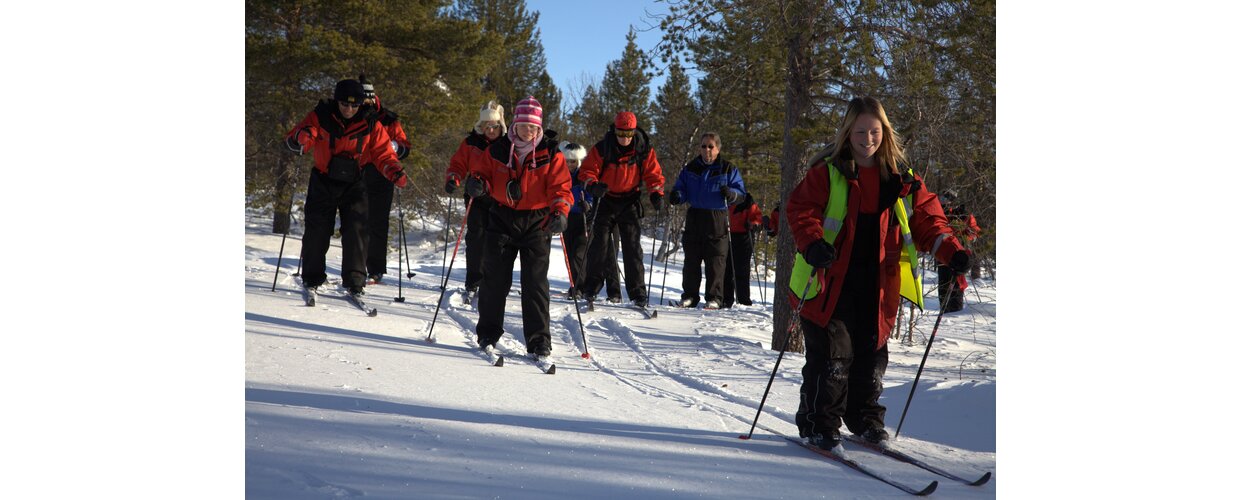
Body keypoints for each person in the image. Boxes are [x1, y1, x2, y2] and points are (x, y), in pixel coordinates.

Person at [785, 96, 970, 449]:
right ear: (847, 133)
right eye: (860, 131)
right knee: (831, 358)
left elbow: (930, 220)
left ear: (884, 132)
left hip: (877, 283)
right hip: (828, 282)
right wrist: (811, 242)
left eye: (874, 131)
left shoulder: (902, 178)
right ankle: (818, 425)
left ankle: (865, 419)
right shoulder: (828, 172)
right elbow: (800, 209)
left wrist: (952, 252)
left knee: (872, 356)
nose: (867, 138)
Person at [467, 97, 572, 359]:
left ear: (539, 127)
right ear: (515, 124)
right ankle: (488, 333)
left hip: (537, 222)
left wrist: (560, 211)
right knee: (494, 280)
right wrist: (476, 183)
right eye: (525, 125)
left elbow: (561, 187)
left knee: (535, 283)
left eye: (534, 127)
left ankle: (539, 341)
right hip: (502, 218)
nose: (529, 131)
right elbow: (481, 172)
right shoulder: (499, 149)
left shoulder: (550, 152)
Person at [284, 79, 407, 300]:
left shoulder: (371, 122)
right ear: (337, 101)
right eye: (344, 104)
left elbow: (383, 153)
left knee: (357, 230)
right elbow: (298, 135)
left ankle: (355, 281)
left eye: (354, 105)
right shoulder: (321, 115)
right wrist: (301, 139)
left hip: (354, 182)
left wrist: (393, 170)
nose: (349, 109)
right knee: (317, 230)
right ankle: (312, 277)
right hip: (323, 180)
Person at [577, 111, 666, 309]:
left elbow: (654, 174)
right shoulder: (603, 148)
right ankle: (591, 288)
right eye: (620, 133)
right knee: (599, 246)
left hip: (629, 201)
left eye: (628, 134)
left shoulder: (643, 149)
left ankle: (638, 293)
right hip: (606, 200)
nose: (624, 138)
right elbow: (587, 171)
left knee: (633, 247)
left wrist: (656, 193)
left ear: (634, 132)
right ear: (614, 130)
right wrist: (593, 185)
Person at [666, 132, 745, 309]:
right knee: (691, 259)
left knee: (716, 260)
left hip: (717, 217)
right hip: (695, 215)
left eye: (710, 146)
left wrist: (732, 194)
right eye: (703, 146)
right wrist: (677, 196)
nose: (707, 149)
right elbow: (681, 188)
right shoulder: (691, 168)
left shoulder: (727, 169)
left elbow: (741, 194)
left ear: (718, 148)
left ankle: (715, 297)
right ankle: (690, 296)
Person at [446, 101, 506, 295]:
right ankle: (474, 280)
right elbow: (458, 164)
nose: (490, 130)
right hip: (476, 195)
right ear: (480, 126)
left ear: (501, 126)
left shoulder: (508, 145)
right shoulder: (471, 143)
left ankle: (496, 280)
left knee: (499, 240)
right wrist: (453, 179)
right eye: (485, 126)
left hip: (500, 198)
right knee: (476, 238)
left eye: (494, 126)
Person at [358, 73, 412, 284]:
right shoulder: (351, 117)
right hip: (356, 173)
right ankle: (355, 266)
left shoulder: (389, 119)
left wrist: (395, 147)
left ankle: (376, 268)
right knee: (355, 222)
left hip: (383, 175)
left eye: (368, 98)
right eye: (362, 99)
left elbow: (405, 147)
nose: (366, 103)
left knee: (378, 223)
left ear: (374, 97)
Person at [936, 189, 981, 313]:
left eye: (950, 199)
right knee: (944, 287)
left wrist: (964, 222)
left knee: (956, 286)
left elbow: (974, 233)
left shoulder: (963, 214)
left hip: (959, 256)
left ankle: (955, 313)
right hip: (942, 256)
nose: (947, 202)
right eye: (945, 198)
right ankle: (945, 313)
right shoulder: (940, 213)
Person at [723, 193, 763, 307]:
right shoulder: (724, 198)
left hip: (744, 236)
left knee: (742, 269)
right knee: (726, 269)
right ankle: (727, 299)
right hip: (727, 236)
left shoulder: (747, 199)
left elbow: (757, 217)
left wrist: (753, 224)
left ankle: (743, 300)